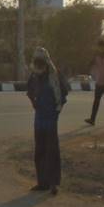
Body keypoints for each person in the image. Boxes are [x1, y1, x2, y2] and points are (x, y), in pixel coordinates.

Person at [26, 47, 67, 195]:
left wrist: (57, 110)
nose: (38, 66)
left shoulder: (55, 76)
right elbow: (29, 91)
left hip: (50, 118)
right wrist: (34, 103)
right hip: (39, 118)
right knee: (40, 151)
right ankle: (42, 182)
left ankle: (53, 183)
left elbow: (63, 94)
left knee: (52, 151)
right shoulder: (34, 76)